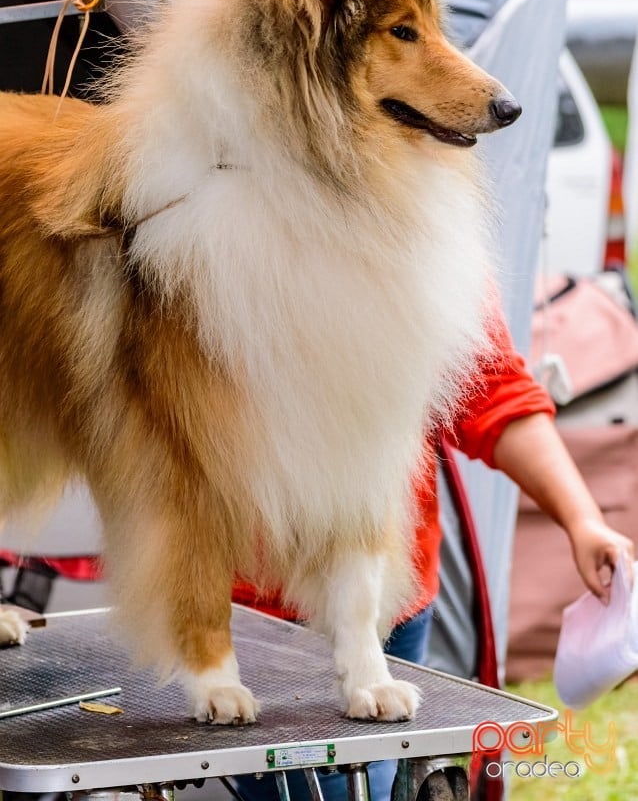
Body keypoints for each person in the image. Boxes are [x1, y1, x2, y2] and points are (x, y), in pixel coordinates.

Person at [231, 302, 634, 801]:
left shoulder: (436, 239)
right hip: (264, 615)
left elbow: (489, 384)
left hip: (397, 599)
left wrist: (583, 521)